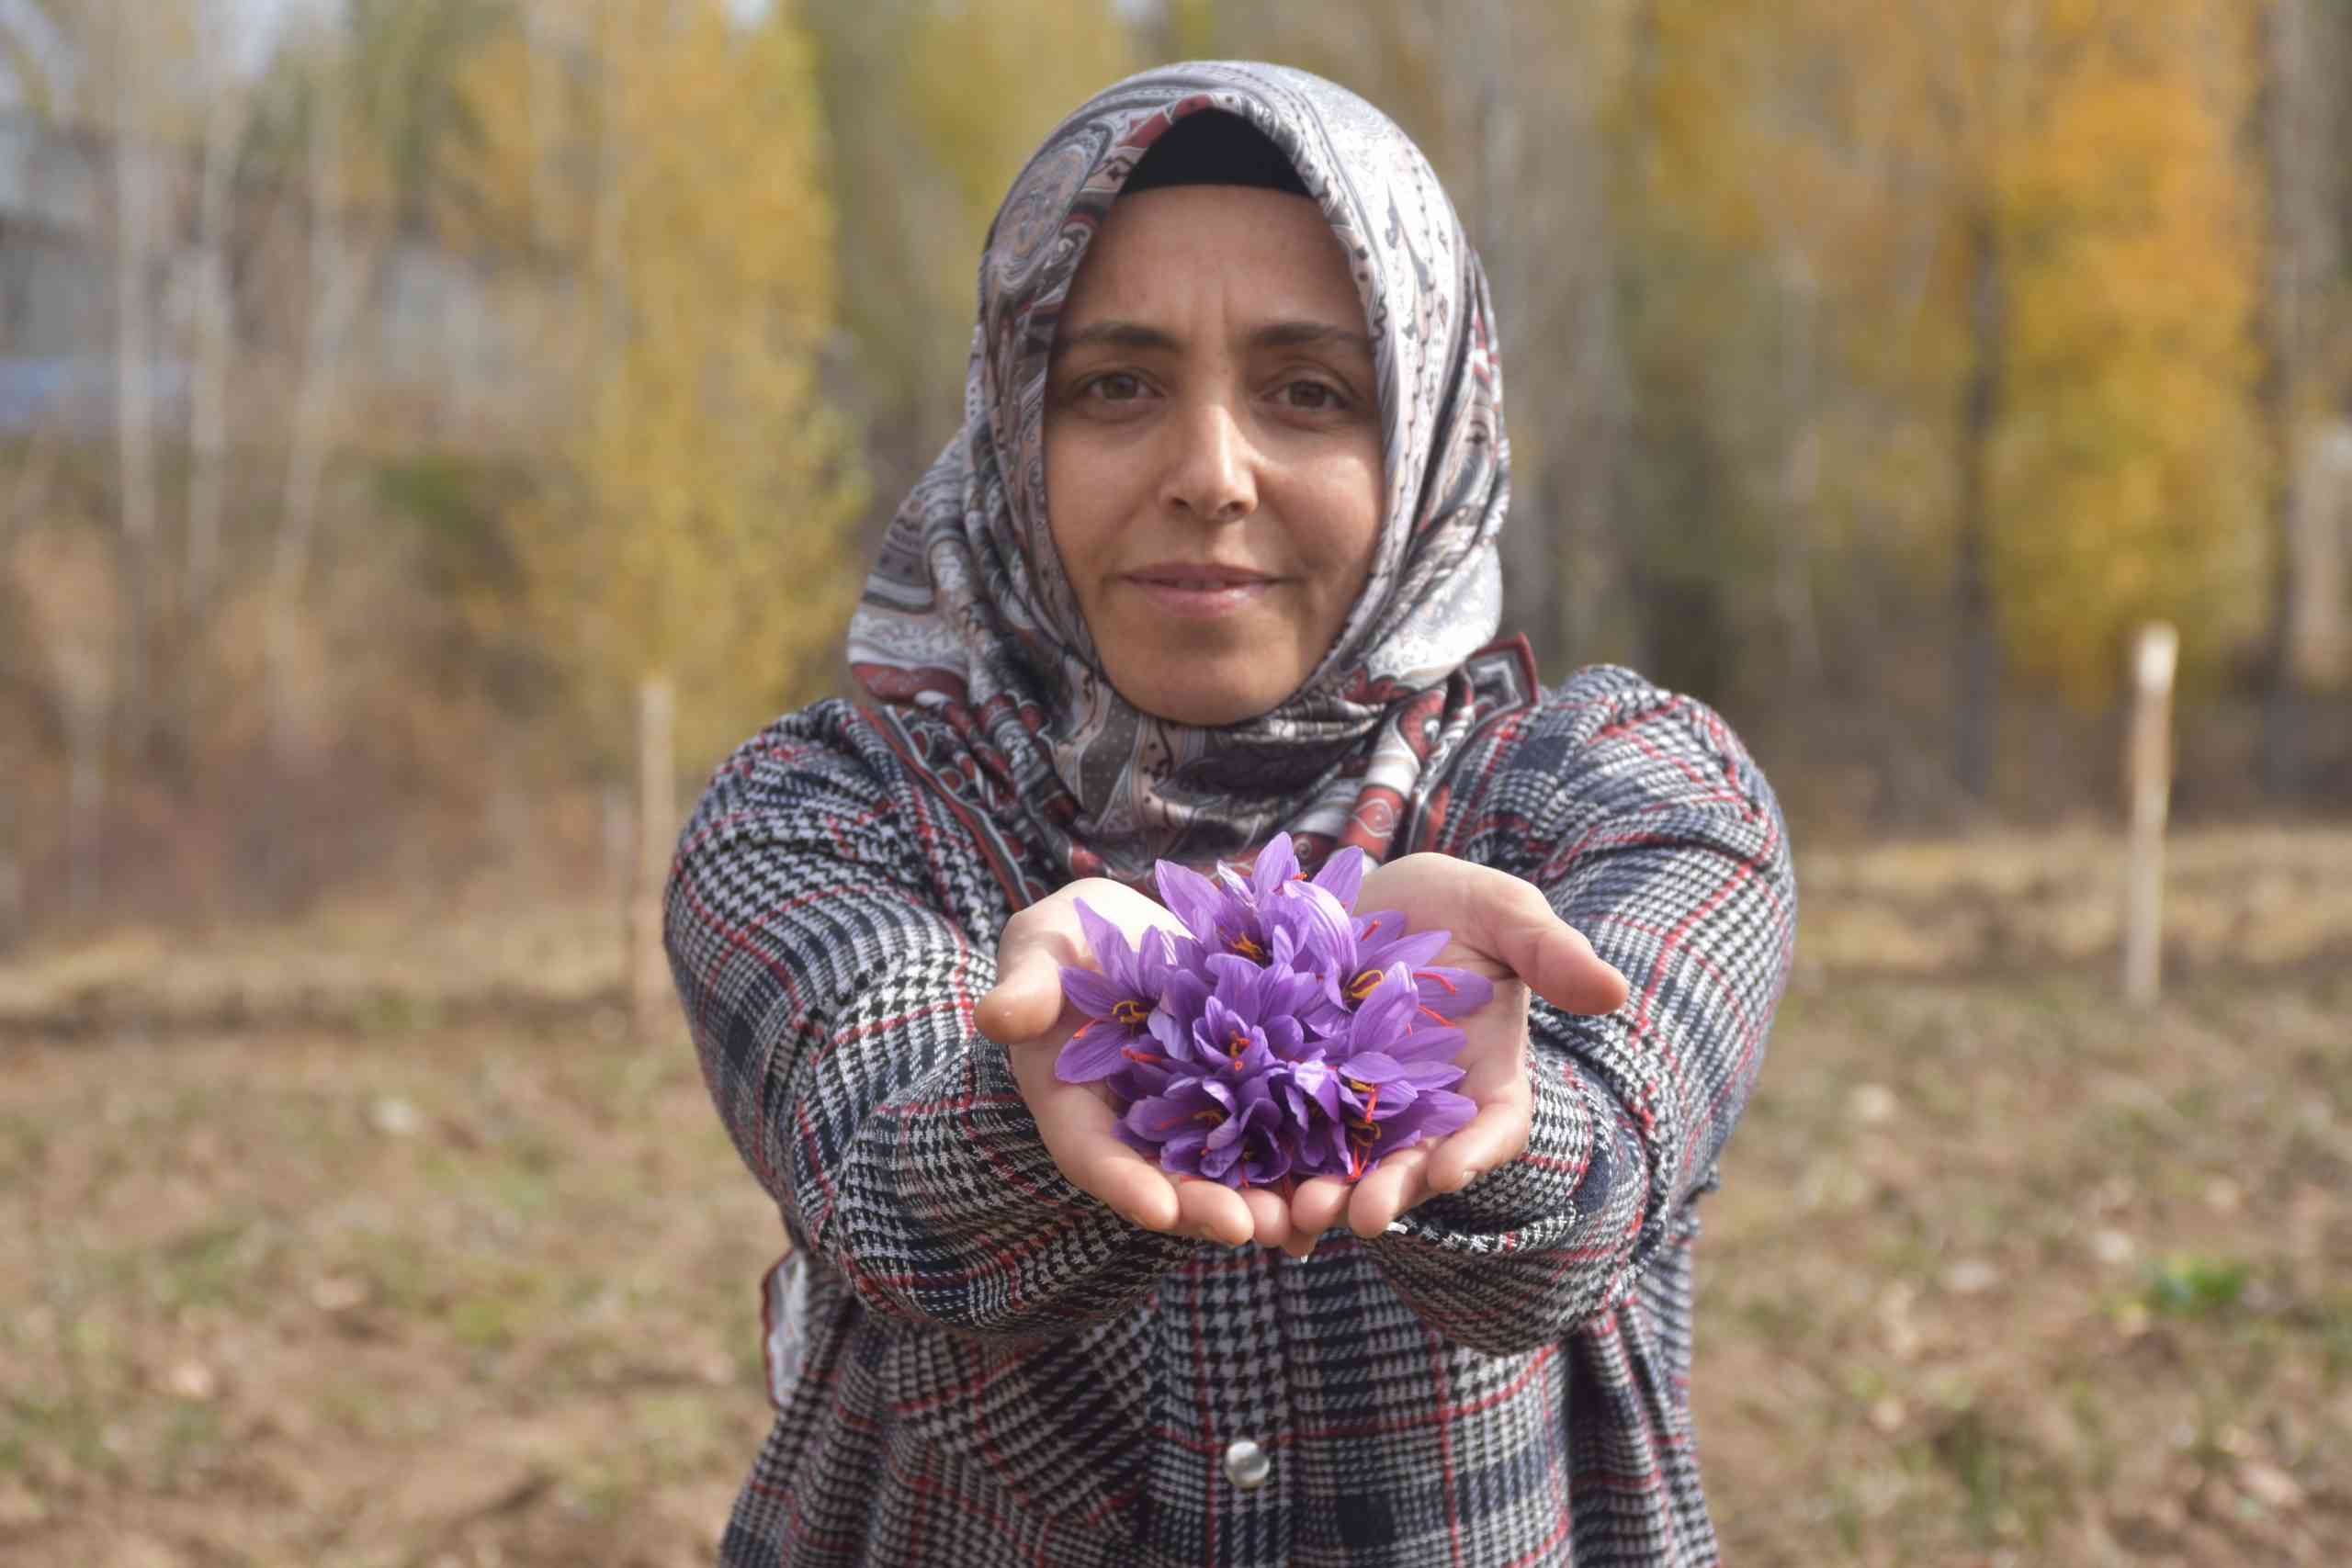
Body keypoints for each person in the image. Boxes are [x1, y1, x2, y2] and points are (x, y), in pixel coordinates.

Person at [666, 61, 1796, 1568]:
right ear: (1011, 429)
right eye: (1114, 387)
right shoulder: (821, 814)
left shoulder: (1634, 790)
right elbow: (880, 1162)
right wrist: (1052, 1074)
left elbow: (1597, 1174)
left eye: (1310, 392)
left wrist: (1459, 1092)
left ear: (1430, 435)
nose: (1210, 474)